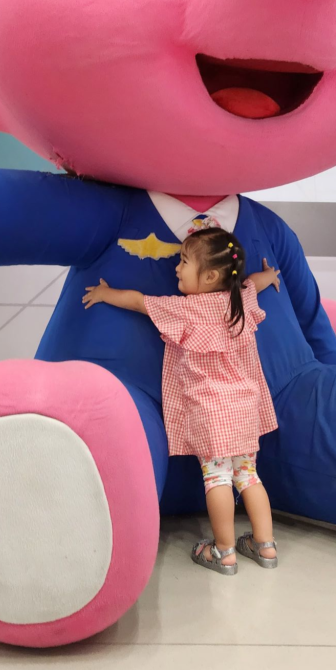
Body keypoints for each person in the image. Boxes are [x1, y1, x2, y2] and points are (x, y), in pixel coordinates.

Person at [83, 227, 281, 576]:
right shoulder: (242, 300)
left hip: (211, 411)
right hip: (245, 408)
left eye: (184, 262)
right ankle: (265, 546)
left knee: (217, 478)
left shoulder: (184, 310)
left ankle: (224, 552)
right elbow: (256, 282)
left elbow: (136, 301)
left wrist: (104, 292)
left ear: (210, 276)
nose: (177, 268)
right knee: (248, 475)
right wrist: (271, 274)